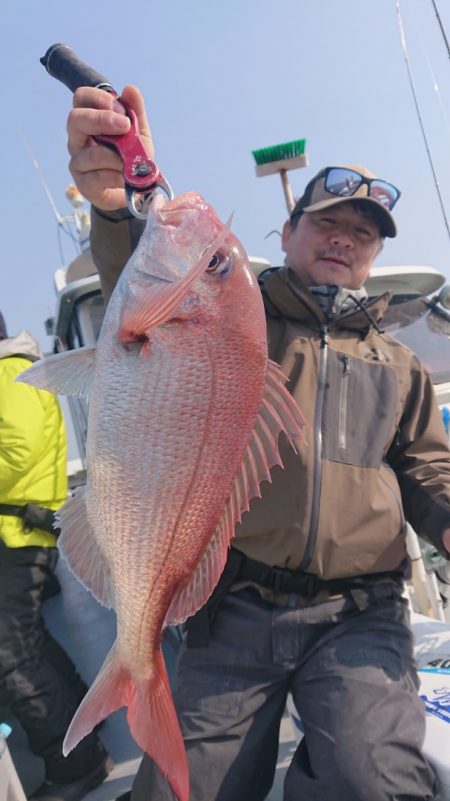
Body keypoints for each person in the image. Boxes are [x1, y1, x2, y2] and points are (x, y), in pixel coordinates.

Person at [65, 85, 450, 801]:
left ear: (372, 256)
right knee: (184, 791)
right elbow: (146, 292)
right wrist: (119, 209)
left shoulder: (397, 363)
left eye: (362, 235)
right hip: (237, 607)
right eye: (328, 222)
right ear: (287, 230)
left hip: (361, 614)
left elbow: (429, 470)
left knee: (372, 781)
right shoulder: (242, 316)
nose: (345, 239)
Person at [0, 314, 112, 801]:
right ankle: (84, 729)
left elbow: (18, 448)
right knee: (28, 643)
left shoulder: (9, 372)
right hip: (22, 533)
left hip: (14, 536)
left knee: (10, 654)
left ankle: (76, 766)